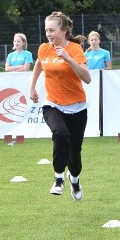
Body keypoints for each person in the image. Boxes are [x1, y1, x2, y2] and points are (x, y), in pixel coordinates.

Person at [29, 11, 91, 200]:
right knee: (60, 134)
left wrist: (68, 59)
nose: (48, 33)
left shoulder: (74, 49)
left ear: (63, 31)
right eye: (46, 30)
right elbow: (39, 64)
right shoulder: (44, 48)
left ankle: (74, 179)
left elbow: (87, 78)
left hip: (77, 107)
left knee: (75, 153)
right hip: (53, 105)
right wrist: (32, 88)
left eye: (51, 30)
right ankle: (58, 179)